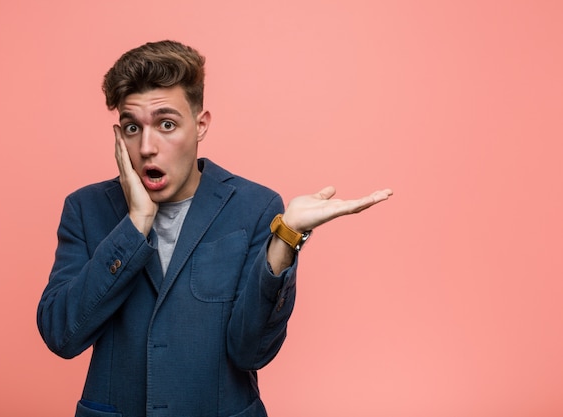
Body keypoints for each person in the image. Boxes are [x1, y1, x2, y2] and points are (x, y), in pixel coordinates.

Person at [37, 40, 392, 417]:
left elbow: (251, 351)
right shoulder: (85, 208)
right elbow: (62, 334)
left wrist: (286, 239)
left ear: (200, 125)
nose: (147, 147)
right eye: (131, 127)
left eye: (167, 124)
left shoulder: (255, 207)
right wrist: (135, 224)